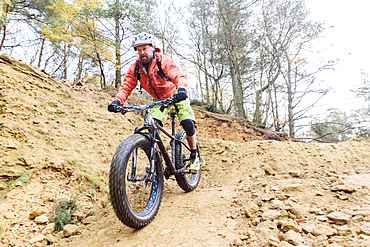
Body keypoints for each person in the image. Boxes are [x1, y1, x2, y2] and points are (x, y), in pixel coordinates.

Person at [108, 32, 200, 174]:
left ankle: (194, 155)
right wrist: (117, 101)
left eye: (144, 49)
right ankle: (158, 162)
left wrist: (182, 89)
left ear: (152, 48)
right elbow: (126, 86)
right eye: (138, 50)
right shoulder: (136, 68)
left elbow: (178, 75)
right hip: (159, 100)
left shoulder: (163, 61)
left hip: (176, 93)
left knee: (187, 122)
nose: (141, 53)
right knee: (151, 126)